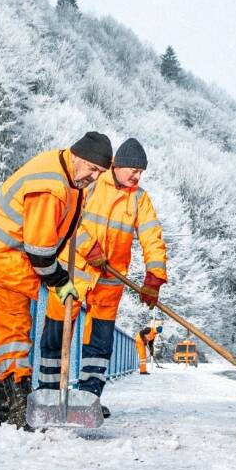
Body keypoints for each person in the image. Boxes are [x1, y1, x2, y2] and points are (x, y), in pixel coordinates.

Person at [0, 131, 112, 429]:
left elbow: (67, 226)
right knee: (15, 332)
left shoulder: (70, 177)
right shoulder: (51, 187)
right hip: (3, 254)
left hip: (5, 252)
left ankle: (2, 409)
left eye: (99, 173)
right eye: (93, 169)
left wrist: (87, 248)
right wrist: (61, 283)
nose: (94, 177)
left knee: (4, 332)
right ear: (77, 156)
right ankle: (21, 413)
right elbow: (39, 252)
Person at [36, 137, 168, 418]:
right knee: (56, 333)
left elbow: (152, 236)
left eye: (141, 172)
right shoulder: (92, 181)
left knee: (100, 342)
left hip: (110, 282)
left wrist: (154, 278)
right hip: (70, 274)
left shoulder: (139, 199)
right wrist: (89, 247)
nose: (137, 175)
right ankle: (48, 394)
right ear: (118, 166)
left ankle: (89, 398)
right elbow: (69, 220)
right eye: (133, 169)